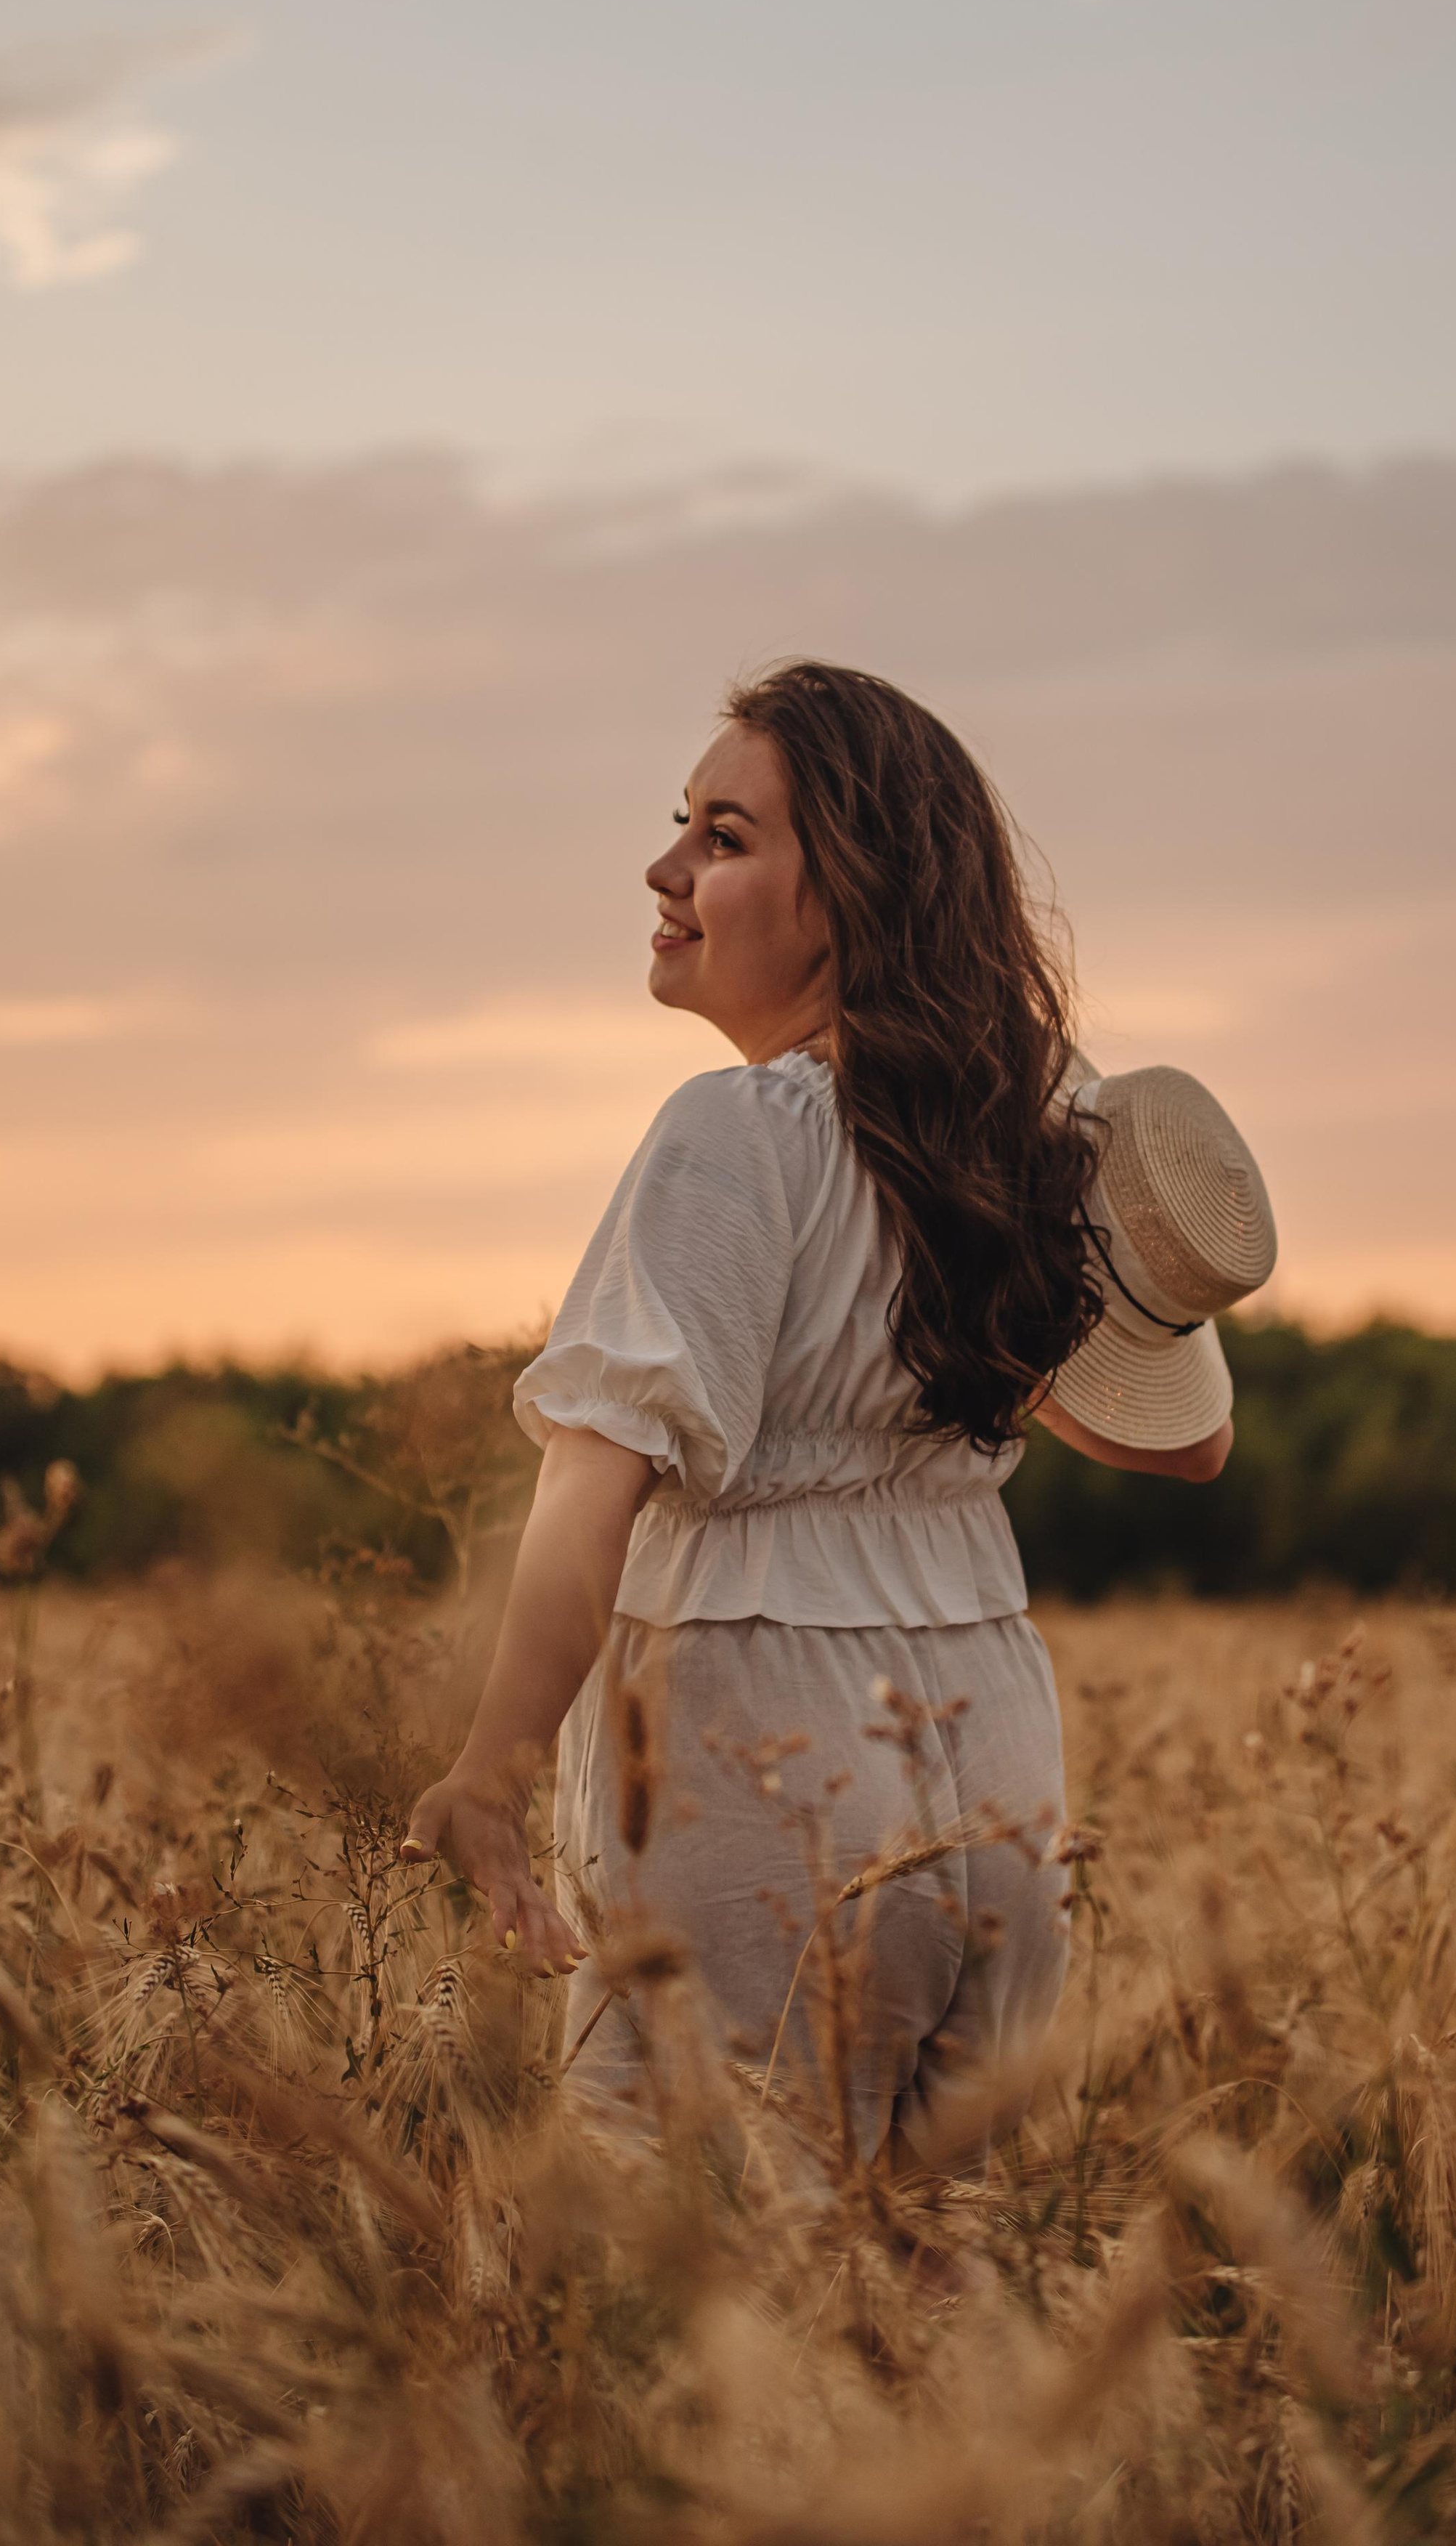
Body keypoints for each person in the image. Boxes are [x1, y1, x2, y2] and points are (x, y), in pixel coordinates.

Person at [400, 662, 1275, 2160]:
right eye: (681, 826)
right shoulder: (1020, 1145)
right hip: (991, 1733)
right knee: (937, 2253)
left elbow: (592, 1482)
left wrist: (488, 1767)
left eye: (724, 838)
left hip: (750, 1734)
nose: (665, 868)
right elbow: (1183, 1440)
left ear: (850, 892)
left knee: (693, 2244)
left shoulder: (730, 1135)